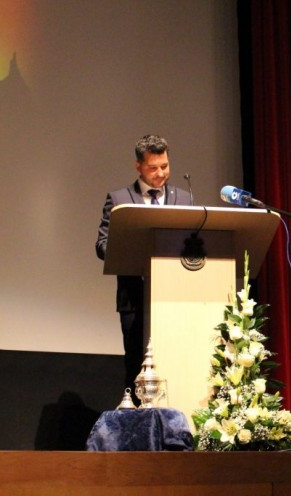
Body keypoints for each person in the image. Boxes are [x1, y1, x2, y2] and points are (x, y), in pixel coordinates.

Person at [96, 134, 190, 395]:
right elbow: (102, 245)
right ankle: (137, 427)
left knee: (176, 362)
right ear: (138, 166)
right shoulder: (119, 200)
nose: (160, 173)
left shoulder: (184, 198)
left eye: (165, 166)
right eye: (153, 168)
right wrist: (129, 250)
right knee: (137, 366)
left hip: (174, 297)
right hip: (134, 299)